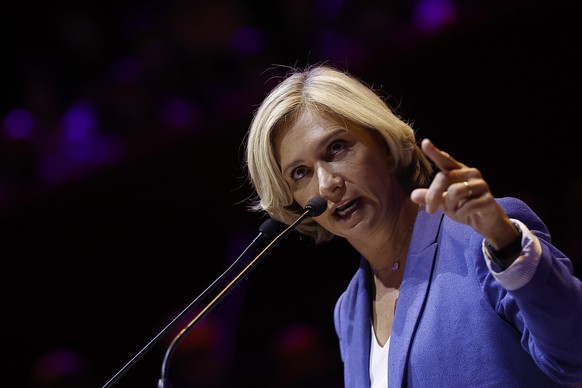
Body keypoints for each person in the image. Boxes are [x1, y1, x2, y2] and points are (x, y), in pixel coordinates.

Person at [242, 63, 582, 387]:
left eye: (336, 148)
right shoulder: (350, 310)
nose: (326, 184)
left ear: (386, 147)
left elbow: (574, 358)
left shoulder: (486, 241)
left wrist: (506, 244)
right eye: (300, 173)